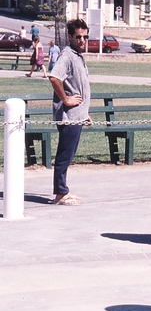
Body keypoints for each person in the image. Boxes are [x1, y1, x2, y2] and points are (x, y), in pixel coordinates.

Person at [49, 19, 91, 206]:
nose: (82, 40)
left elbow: (77, 86)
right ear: (70, 37)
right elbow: (54, 77)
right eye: (78, 37)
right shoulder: (67, 55)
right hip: (68, 116)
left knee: (68, 154)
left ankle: (63, 190)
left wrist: (84, 112)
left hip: (77, 116)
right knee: (64, 155)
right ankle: (60, 193)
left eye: (85, 37)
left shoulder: (77, 55)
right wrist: (66, 100)